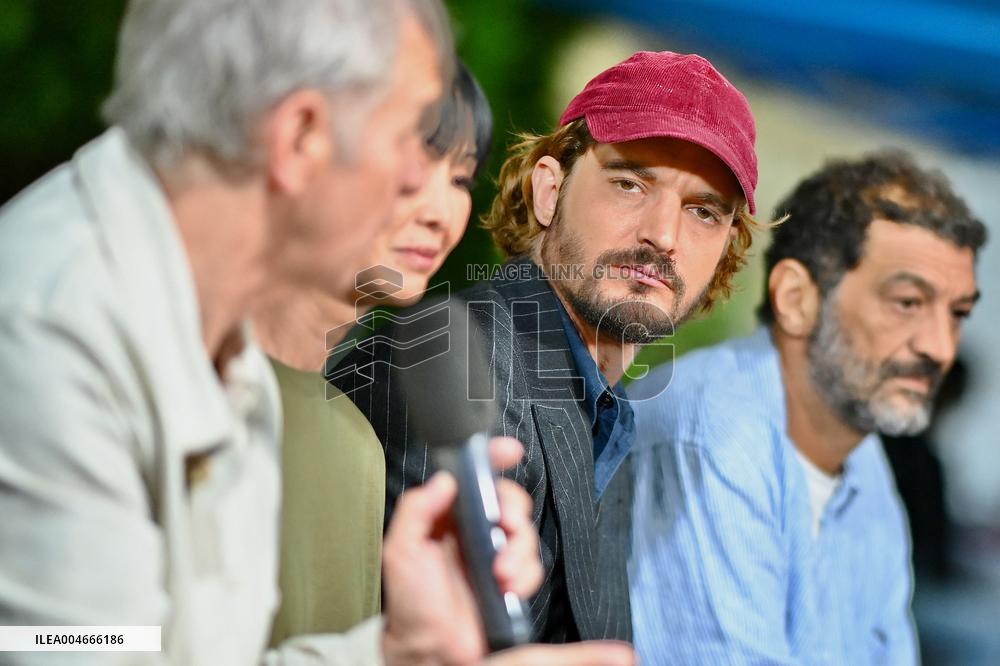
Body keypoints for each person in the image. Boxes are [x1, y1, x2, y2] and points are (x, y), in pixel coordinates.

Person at [0, 1, 590, 664]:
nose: (422, 198)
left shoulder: (214, 337)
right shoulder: (52, 327)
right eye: (407, 142)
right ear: (301, 136)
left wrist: (400, 650)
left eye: (454, 174)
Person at [332, 50, 764, 643]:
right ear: (547, 191)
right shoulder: (462, 373)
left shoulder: (603, 409)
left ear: (723, 256)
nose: (663, 234)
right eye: (630, 183)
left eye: (704, 212)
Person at [628, 151, 987, 664]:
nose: (940, 347)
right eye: (907, 302)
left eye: (956, 314)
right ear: (797, 299)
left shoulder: (864, 464)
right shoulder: (713, 433)